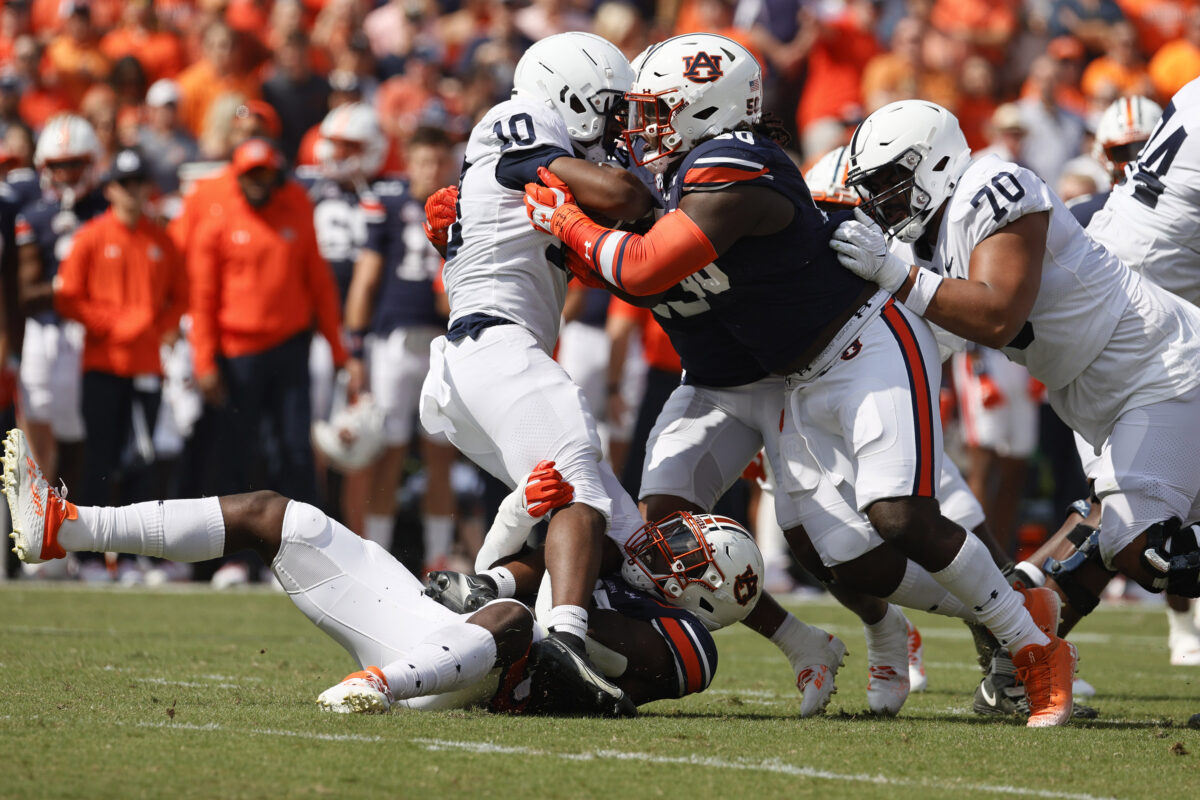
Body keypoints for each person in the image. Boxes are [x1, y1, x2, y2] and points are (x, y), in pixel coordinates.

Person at [524, 33, 1074, 727]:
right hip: (789, 371)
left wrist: (567, 221)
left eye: (659, 111)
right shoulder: (669, 171)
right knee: (839, 554)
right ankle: (918, 625)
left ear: (707, 112)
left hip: (862, 341)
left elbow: (641, 267)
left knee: (899, 514)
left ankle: (1032, 645)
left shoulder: (735, 166)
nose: (642, 128)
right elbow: (609, 250)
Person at [829, 98, 1200, 687]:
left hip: (1154, 367)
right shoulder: (925, 241)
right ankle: (1018, 664)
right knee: (1106, 535)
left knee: (1142, 549)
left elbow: (999, 314)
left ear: (933, 163)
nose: (884, 203)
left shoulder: (992, 185)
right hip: (1092, 393)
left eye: (893, 184)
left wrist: (899, 278)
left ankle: (1024, 654)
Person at [3, 426, 743, 717]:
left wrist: (553, 572)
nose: (665, 545)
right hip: (440, 633)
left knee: (525, 612)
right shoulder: (601, 570)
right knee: (279, 514)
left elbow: (538, 624)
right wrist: (521, 510)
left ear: (706, 595)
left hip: (466, 684)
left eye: (688, 554)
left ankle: (375, 689)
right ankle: (68, 527)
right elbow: (482, 582)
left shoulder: (690, 647)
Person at [416, 32, 654, 702]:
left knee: (628, 535)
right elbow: (623, 197)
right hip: (497, 349)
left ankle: (485, 598)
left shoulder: (529, 157)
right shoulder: (516, 122)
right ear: (572, 96)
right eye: (611, 109)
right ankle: (566, 642)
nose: (617, 127)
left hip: (481, 364)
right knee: (581, 477)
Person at [1070, 86, 1200, 666]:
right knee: (1134, 530)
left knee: (1120, 524)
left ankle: (1016, 648)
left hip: (1110, 312)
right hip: (1144, 329)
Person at [189, 137, 346, 508]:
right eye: (251, 174)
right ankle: (236, 558)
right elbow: (203, 298)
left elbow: (318, 283)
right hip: (238, 353)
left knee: (295, 450)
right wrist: (204, 362)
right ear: (238, 177)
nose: (258, 181)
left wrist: (339, 349)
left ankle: (303, 549)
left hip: (290, 348)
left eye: (265, 174)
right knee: (237, 451)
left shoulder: (296, 209)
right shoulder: (218, 219)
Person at [53, 146, 186, 513]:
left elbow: (182, 295)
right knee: (99, 455)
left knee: (142, 456)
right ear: (110, 188)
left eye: (138, 182)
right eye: (124, 183)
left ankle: (133, 554)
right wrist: (114, 325)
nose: (132, 190)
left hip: (145, 365)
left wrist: (156, 327)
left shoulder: (161, 240)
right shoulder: (91, 237)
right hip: (102, 363)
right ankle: (93, 551)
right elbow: (68, 297)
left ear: (148, 188)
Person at [14, 114, 108, 512]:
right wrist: (68, 290)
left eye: (75, 164)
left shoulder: (107, 209)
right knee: (34, 419)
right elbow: (27, 291)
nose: (67, 175)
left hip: (88, 330)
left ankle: (68, 517)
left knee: (77, 428)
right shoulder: (33, 215)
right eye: (58, 166)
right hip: (45, 329)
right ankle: (39, 515)